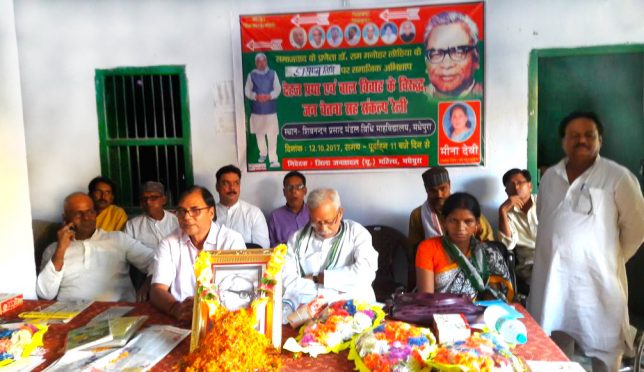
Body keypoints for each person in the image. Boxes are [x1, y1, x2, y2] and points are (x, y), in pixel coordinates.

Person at [528, 112, 644, 372]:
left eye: (588, 135)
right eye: (574, 136)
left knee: (604, 352)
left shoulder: (618, 177)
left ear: (600, 140)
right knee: (552, 349)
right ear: (563, 142)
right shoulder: (549, 178)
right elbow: (545, 219)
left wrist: (608, 258)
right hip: (553, 281)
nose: (581, 140)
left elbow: (637, 229)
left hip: (597, 284)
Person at [150, 186, 246, 322]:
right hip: (182, 317)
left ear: (211, 213)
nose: (186, 217)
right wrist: (176, 308)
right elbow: (157, 289)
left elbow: (238, 291)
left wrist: (206, 308)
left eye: (195, 210)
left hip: (221, 319)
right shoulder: (169, 243)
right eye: (182, 211)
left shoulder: (232, 241)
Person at [36, 192, 154, 302]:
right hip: (70, 314)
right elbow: (45, 293)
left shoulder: (118, 239)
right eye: (78, 213)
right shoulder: (53, 250)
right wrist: (61, 249)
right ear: (65, 217)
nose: (86, 218)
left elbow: (156, 261)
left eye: (90, 212)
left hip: (117, 313)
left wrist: (149, 283)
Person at [282, 188, 378, 315]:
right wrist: (338, 287)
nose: (323, 228)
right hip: (307, 312)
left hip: (352, 311)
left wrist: (319, 278)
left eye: (328, 222)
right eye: (316, 223)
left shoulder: (357, 233)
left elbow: (364, 275)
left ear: (340, 213)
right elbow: (287, 280)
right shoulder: (297, 239)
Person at [416, 192, 513, 302]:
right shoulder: (428, 249)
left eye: (468, 221)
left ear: (477, 223)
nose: (461, 228)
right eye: (453, 221)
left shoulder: (488, 255)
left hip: (481, 314)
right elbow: (427, 300)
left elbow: (497, 298)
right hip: (439, 315)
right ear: (444, 222)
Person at [408, 167, 495, 256]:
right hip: (434, 265)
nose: (439, 195)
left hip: (470, 263)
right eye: (433, 191)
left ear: (449, 185)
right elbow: (415, 250)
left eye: (443, 189)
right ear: (426, 189)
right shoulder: (418, 215)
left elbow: (488, 241)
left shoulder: (467, 208)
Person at [423, 11, 482, 98]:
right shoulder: (415, 98)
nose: (446, 65)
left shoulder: (486, 96)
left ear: (476, 59)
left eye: (458, 52)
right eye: (436, 54)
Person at [497, 168, 537, 294]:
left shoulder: (543, 202)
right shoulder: (507, 213)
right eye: (511, 184)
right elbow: (509, 244)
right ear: (506, 191)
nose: (516, 187)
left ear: (530, 186)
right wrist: (502, 210)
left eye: (520, 182)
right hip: (530, 265)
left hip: (552, 258)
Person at [214, 165, 270, 247]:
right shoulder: (208, 214)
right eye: (226, 183)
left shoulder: (254, 213)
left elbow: (262, 250)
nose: (232, 188)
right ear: (217, 187)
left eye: (236, 183)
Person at [244, 53, 281, 168]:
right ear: (256, 63)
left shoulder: (273, 74)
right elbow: (247, 91)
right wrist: (256, 96)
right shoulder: (251, 75)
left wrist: (269, 96)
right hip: (257, 111)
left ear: (266, 61)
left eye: (263, 61)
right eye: (258, 61)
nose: (261, 63)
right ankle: (263, 154)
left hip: (270, 111)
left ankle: (273, 158)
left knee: (272, 135)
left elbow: (278, 89)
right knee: (259, 134)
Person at [125, 181, 179, 250]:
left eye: (153, 198)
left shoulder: (177, 221)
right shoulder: (132, 225)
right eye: (144, 199)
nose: (148, 202)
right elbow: (127, 250)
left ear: (164, 200)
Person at [267, 171, 310, 247]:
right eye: (289, 187)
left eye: (298, 187)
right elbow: (270, 246)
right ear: (284, 192)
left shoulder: (314, 213)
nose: (293, 191)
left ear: (305, 190)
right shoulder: (275, 217)